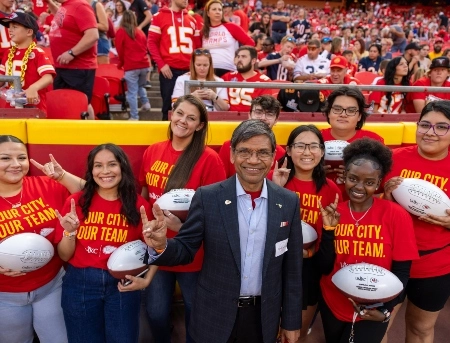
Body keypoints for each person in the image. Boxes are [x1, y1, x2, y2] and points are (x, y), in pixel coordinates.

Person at [143, 119, 303, 343]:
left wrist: (291, 321)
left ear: (273, 156)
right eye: (245, 151)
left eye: (262, 153)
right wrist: (161, 244)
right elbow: (187, 248)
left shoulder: (288, 202)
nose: (253, 160)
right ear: (231, 155)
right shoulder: (208, 197)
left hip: (263, 318)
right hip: (213, 316)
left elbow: (293, 269)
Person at [139, 95, 226, 343]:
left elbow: (217, 212)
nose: (183, 121)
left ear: (199, 125)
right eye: (180, 114)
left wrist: (183, 227)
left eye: (191, 118)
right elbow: (145, 194)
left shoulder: (209, 158)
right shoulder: (153, 150)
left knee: (195, 312)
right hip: (157, 247)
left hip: (191, 252)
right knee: (155, 313)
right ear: (171, 114)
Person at [318, 138, 418, 343]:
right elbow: (324, 267)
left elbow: (401, 273)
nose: (359, 187)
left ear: (379, 183)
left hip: (374, 307)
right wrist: (329, 230)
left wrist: (386, 310)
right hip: (333, 301)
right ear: (344, 176)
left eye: (369, 182)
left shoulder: (396, 216)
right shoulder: (332, 212)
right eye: (353, 178)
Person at [54, 143, 155, 342]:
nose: (105, 171)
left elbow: (156, 247)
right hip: (80, 283)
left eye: (112, 164)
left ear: (122, 168)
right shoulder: (76, 202)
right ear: (91, 171)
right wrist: (70, 232)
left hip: (123, 284)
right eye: (98, 165)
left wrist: (147, 279)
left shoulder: (138, 205)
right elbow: (65, 255)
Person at [0, 134, 85, 343]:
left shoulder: (45, 185)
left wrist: (62, 176)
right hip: (6, 295)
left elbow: (91, 193)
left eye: (21, 158)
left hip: (51, 286)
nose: (15, 164)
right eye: (5, 158)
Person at [383, 101, 450, 343]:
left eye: (442, 127)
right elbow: (367, 206)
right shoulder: (392, 159)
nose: (431, 132)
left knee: (421, 329)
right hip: (390, 259)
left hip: (435, 264)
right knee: (378, 327)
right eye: (425, 125)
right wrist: (385, 199)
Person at [271, 125, 342, 342]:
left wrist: (310, 253)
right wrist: (276, 188)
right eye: (300, 146)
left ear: (322, 152)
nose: (307, 152)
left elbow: (330, 240)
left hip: (308, 272)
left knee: (293, 335)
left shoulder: (331, 190)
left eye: (313, 146)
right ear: (289, 151)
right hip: (274, 265)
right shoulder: (274, 182)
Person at [321, 86, 384, 198]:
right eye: (337, 109)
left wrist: (358, 176)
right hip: (321, 199)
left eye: (351, 110)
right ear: (328, 112)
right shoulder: (315, 138)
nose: (343, 114)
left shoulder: (373, 142)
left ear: (359, 116)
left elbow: (380, 186)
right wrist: (314, 173)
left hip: (357, 205)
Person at [147, 0, 200, 121]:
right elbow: (151, 43)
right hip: (169, 70)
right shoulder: (159, 17)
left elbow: (197, 46)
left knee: (192, 106)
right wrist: (161, 64)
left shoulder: (192, 20)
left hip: (188, 71)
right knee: (169, 108)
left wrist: (194, 68)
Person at [47, 0, 99, 120]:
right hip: (63, 66)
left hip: (78, 67)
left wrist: (72, 52)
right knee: (63, 104)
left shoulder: (80, 6)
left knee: (82, 104)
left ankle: (90, 134)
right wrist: (49, 3)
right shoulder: (66, 6)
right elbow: (63, 20)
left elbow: (92, 35)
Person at [0, 11, 55, 114]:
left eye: (15, 27)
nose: (10, 30)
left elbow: (48, 76)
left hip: (33, 107)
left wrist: (33, 88)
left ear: (29, 32)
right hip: (11, 108)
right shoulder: (8, 53)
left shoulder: (38, 53)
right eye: (9, 27)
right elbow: (2, 78)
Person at [219, 95, 285, 177]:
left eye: (269, 114)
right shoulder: (227, 146)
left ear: (276, 120)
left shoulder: (281, 153)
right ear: (249, 115)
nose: (263, 118)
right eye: (258, 112)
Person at [202, 0, 255, 78]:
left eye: (220, 9)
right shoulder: (203, 31)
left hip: (228, 70)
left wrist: (239, 57)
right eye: (214, 9)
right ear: (208, 13)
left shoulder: (232, 27)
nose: (218, 12)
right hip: (207, 71)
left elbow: (250, 43)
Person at [115, 10, 150, 121]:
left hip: (131, 66)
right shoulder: (140, 32)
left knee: (132, 92)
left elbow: (119, 50)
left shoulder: (121, 31)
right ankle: (146, 103)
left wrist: (120, 63)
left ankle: (134, 116)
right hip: (144, 65)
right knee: (140, 86)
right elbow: (145, 48)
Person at [222, 46, 272, 112]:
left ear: (253, 61)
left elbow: (265, 108)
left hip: (252, 120)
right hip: (227, 119)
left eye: (243, 57)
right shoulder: (227, 77)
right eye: (238, 56)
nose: (239, 59)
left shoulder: (264, 81)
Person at [91, 0, 110, 64]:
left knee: (102, 71)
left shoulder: (96, 5)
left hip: (99, 41)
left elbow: (105, 26)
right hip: (84, 42)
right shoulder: (78, 5)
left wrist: (88, 22)